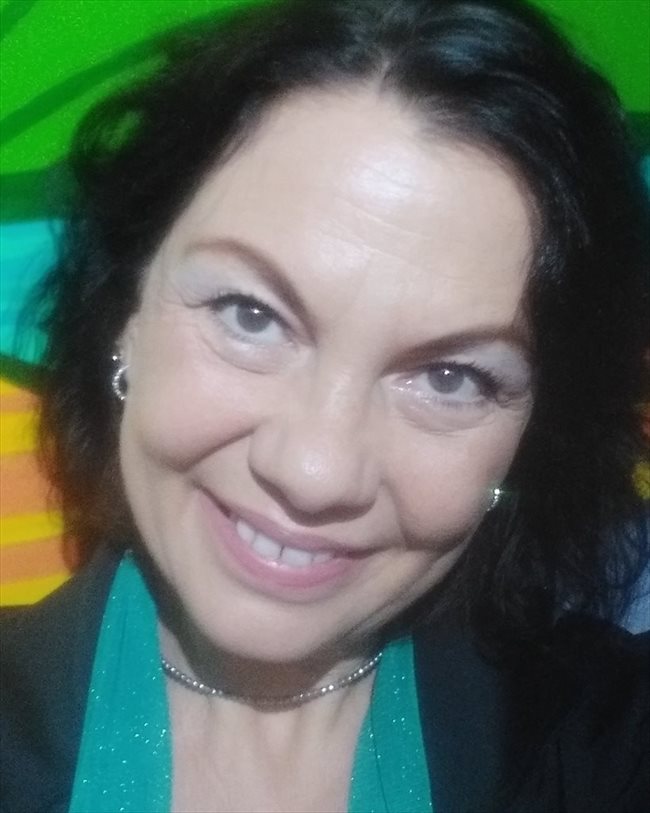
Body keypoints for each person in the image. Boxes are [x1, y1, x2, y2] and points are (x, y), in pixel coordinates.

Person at [1, 0, 648, 810]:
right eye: (250, 314)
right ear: (125, 314)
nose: (316, 471)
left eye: (451, 377)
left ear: (529, 436)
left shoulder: (598, 745)